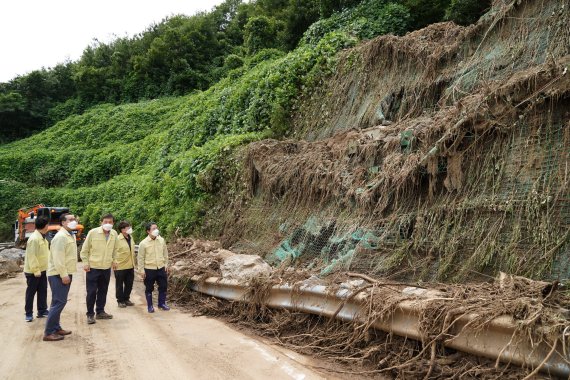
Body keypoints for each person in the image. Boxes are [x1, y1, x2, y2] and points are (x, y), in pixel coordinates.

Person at [44, 213, 77, 342]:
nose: (73, 221)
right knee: (59, 302)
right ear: (63, 222)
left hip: (65, 273)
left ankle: (56, 327)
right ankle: (49, 332)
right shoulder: (60, 237)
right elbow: (58, 259)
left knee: (57, 301)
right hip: (58, 274)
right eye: (70, 219)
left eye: (74, 219)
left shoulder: (70, 235)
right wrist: (64, 275)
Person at [80, 214, 117, 324]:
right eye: (105, 221)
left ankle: (100, 311)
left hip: (106, 268)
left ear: (113, 223)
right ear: (101, 222)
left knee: (103, 290)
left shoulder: (114, 234)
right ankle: (90, 314)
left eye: (110, 222)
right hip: (93, 268)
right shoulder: (93, 232)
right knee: (91, 292)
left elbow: (115, 250)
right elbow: (84, 250)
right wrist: (86, 263)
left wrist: (115, 261)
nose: (108, 224)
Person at [138, 222, 170, 313]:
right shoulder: (143, 243)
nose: (156, 230)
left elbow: (165, 253)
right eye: (153, 229)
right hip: (149, 269)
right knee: (149, 288)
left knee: (163, 286)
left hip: (161, 267)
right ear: (148, 231)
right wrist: (141, 270)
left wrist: (166, 264)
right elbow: (140, 258)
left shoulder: (161, 240)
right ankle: (150, 306)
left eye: (156, 228)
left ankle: (162, 304)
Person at [23, 216, 50, 322]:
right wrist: (36, 270)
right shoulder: (34, 239)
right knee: (31, 293)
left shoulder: (43, 237)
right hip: (33, 272)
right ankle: (28, 314)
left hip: (42, 270)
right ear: (45, 226)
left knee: (43, 291)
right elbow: (31, 256)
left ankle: (42, 310)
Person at [114, 221, 136, 308]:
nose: (130, 229)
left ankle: (126, 298)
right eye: (128, 227)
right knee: (119, 285)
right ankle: (120, 300)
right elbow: (113, 251)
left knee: (129, 284)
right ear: (123, 230)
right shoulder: (117, 239)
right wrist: (114, 262)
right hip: (120, 266)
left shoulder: (131, 237)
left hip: (130, 265)